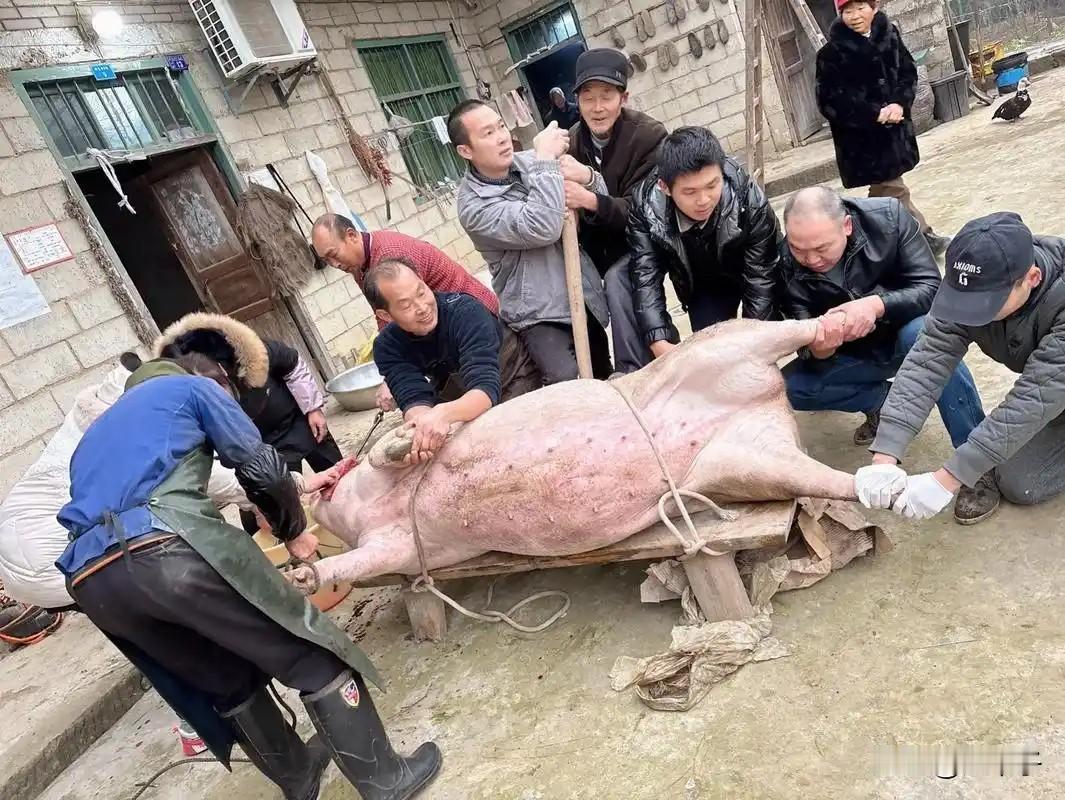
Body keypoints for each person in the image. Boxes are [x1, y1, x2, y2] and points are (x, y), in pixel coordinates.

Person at [56, 353, 440, 800]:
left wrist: (297, 489)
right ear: (209, 381)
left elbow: (172, 490)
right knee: (310, 652)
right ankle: (386, 780)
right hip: (166, 552)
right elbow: (258, 466)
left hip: (92, 581)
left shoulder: (97, 436)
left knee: (225, 679)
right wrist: (293, 531)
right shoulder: (190, 388)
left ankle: (299, 777)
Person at [780, 188, 991, 523]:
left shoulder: (888, 219)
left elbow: (933, 290)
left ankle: (977, 461)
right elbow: (802, 336)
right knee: (786, 388)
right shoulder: (784, 261)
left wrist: (876, 305)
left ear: (846, 226)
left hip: (907, 339)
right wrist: (820, 346)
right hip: (853, 355)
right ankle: (882, 402)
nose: (811, 259)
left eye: (822, 248)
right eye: (799, 249)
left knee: (927, 334)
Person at [855, 213, 1065, 526]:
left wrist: (946, 480)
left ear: (1032, 279)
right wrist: (885, 455)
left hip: (1050, 388)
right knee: (1017, 479)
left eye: (987, 303)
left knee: (1022, 482)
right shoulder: (970, 285)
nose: (970, 312)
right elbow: (928, 360)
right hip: (1054, 391)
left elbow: (1031, 399)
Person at [451, 99, 613, 383]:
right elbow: (544, 226)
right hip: (538, 312)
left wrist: (587, 178)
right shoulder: (473, 207)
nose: (502, 137)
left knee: (602, 376)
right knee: (566, 382)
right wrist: (547, 163)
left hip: (580, 291)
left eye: (501, 126)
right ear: (465, 150)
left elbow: (601, 192)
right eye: (488, 133)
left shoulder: (532, 162)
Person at [155, 313, 341, 532]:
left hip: (299, 421)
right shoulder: (187, 397)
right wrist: (258, 504)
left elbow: (293, 365)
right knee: (277, 503)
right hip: (261, 445)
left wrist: (313, 408)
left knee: (336, 477)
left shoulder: (252, 353)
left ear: (224, 370)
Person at [311, 214, 501, 409]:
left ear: (351, 236)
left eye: (333, 254)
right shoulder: (360, 266)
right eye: (326, 260)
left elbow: (396, 320)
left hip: (475, 324)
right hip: (440, 339)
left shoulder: (389, 259)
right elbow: (387, 316)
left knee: (484, 392)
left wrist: (390, 382)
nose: (334, 264)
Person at [628, 126, 781, 358]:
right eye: (689, 192)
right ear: (665, 187)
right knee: (713, 352)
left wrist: (752, 340)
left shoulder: (747, 197)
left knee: (763, 345)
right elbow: (645, 274)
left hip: (751, 268)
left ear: (722, 171)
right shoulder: (646, 208)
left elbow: (761, 274)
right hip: (704, 283)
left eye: (712, 185)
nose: (703, 200)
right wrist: (658, 338)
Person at [367, 259, 540, 462]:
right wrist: (423, 425)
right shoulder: (387, 346)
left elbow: (484, 388)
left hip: (512, 378)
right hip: (460, 394)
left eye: (421, 292)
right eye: (406, 305)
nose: (422, 307)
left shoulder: (465, 311)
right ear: (385, 315)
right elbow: (414, 398)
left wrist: (443, 415)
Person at [816, 0, 950, 255]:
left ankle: (856, 240)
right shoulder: (830, 54)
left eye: (860, 8)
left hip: (895, 133)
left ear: (874, 8)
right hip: (862, 142)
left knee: (882, 196)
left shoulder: (890, 35)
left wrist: (900, 103)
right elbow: (829, 101)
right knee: (893, 188)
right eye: (847, 11)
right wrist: (873, 114)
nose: (854, 16)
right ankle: (924, 236)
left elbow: (908, 72)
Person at [563, 47, 667, 373]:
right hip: (599, 246)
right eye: (587, 97)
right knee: (571, 283)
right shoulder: (573, 141)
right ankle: (597, 374)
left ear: (623, 98)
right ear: (577, 100)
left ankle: (631, 371)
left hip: (644, 240)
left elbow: (644, 210)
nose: (596, 108)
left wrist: (590, 196)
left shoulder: (649, 136)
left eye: (606, 96)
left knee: (618, 278)